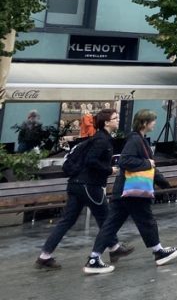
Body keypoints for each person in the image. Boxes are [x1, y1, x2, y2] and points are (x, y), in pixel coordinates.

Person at [83, 110, 177, 274]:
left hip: (124, 191)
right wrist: (147, 163)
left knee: (110, 226)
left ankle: (94, 258)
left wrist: (163, 182)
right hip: (132, 191)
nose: (154, 123)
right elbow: (126, 161)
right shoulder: (135, 139)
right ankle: (159, 252)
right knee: (146, 220)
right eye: (152, 121)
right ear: (144, 123)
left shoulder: (139, 140)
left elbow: (150, 166)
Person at [36, 110, 133, 270]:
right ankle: (107, 252)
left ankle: (45, 255)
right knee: (106, 219)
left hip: (76, 184)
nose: (118, 120)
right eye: (115, 118)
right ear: (106, 122)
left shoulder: (99, 138)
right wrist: (110, 170)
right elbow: (91, 161)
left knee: (68, 221)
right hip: (90, 186)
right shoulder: (102, 140)